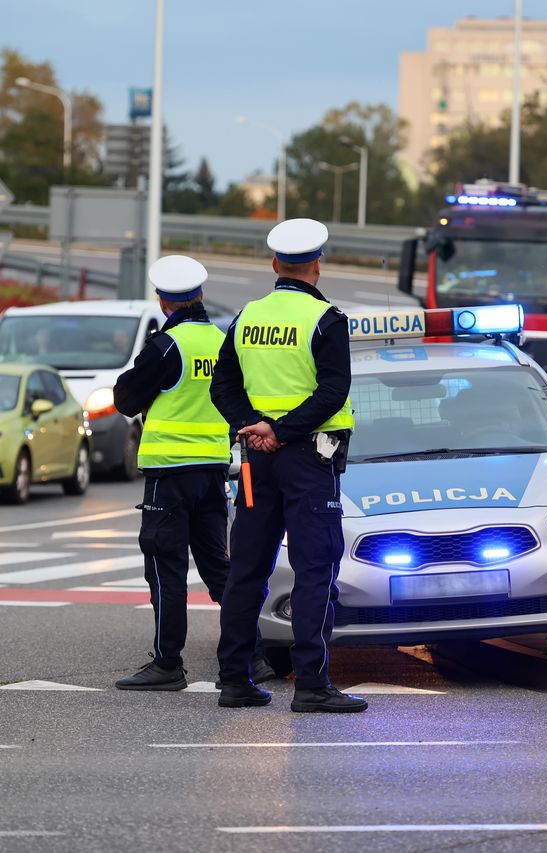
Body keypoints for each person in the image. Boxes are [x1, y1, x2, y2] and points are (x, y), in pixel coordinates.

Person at [210, 218, 368, 713]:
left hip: (256, 461)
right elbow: (332, 392)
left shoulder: (246, 317)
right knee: (315, 569)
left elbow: (223, 387)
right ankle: (312, 685)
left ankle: (235, 680)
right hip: (307, 459)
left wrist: (253, 426)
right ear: (317, 266)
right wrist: (281, 430)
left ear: (275, 265)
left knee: (247, 571)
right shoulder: (327, 320)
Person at [112, 255, 276, 690]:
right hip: (212, 472)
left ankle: (168, 664)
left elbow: (124, 399)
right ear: (200, 295)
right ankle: (255, 656)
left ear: (163, 301)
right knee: (220, 570)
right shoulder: (222, 341)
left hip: (169, 474)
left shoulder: (166, 346)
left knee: (165, 568)